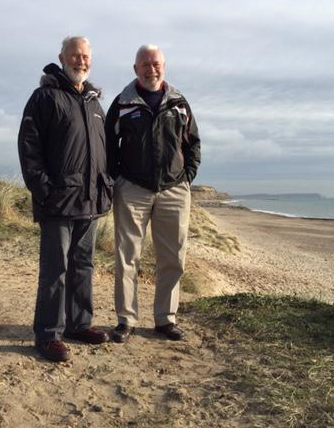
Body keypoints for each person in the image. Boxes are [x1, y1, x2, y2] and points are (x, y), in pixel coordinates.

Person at [18, 36, 114, 362]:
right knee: (55, 269)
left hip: (90, 200)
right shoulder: (44, 97)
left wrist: (107, 186)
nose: (80, 61)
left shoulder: (94, 102)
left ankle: (79, 323)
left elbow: (106, 152)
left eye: (85, 56)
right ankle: (48, 335)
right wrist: (44, 190)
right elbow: (29, 149)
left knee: (83, 266)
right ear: (61, 57)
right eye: (74, 55)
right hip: (57, 200)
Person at [105, 44, 201, 343]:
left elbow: (193, 142)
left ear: (164, 66)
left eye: (156, 63)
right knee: (126, 257)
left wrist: (187, 178)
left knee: (172, 257)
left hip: (174, 189)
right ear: (135, 69)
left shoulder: (179, 102)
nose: (151, 69)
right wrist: (117, 179)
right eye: (144, 64)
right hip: (132, 189)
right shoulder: (122, 103)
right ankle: (126, 320)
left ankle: (165, 319)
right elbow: (108, 144)